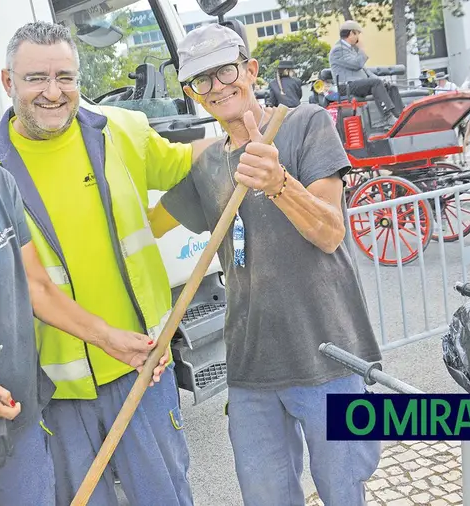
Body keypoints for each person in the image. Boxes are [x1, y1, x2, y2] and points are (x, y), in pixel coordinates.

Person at [0, 22, 219, 506]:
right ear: (8, 84)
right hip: (51, 392)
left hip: (136, 368)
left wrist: (245, 125)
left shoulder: (116, 133)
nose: (53, 92)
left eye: (65, 77)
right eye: (35, 78)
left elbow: (191, 160)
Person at [151, 23, 382, 506]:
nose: (217, 87)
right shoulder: (207, 164)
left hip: (329, 354)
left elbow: (330, 232)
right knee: (265, 497)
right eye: (201, 81)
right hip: (252, 366)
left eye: (225, 71)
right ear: (192, 94)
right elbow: (147, 226)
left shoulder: (306, 124)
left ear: (250, 70)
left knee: (344, 492)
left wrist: (278, 182)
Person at [328, 20, 404, 128]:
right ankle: (387, 118)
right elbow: (357, 64)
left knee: (390, 86)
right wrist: (362, 48)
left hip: (357, 84)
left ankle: (400, 115)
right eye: (357, 34)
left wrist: (380, 80)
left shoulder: (349, 49)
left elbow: (365, 71)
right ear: (351, 33)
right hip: (346, 86)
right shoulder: (338, 50)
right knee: (375, 83)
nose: (359, 37)